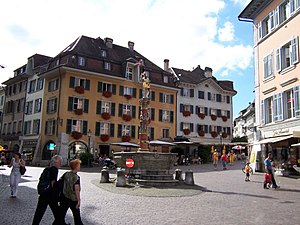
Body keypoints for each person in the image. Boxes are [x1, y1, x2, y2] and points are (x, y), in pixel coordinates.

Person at [32, 155, 63, 225]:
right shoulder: (54, 169)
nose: (61, 163)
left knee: (39, 212)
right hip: (50, 195)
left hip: (43, 193)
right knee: (57, 213)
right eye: (59, 162)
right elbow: (53, 183)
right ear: (55, 162)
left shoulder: (46, 169)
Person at [60, 159, 83, 225]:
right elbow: (77, 190)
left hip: (64, 197)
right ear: (76, 166)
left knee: (61, 216)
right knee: (77, 217)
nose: (80, 166)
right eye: (79, 165)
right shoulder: (76, 177)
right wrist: (78, 200)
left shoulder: (66, 174)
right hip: (73, 198)